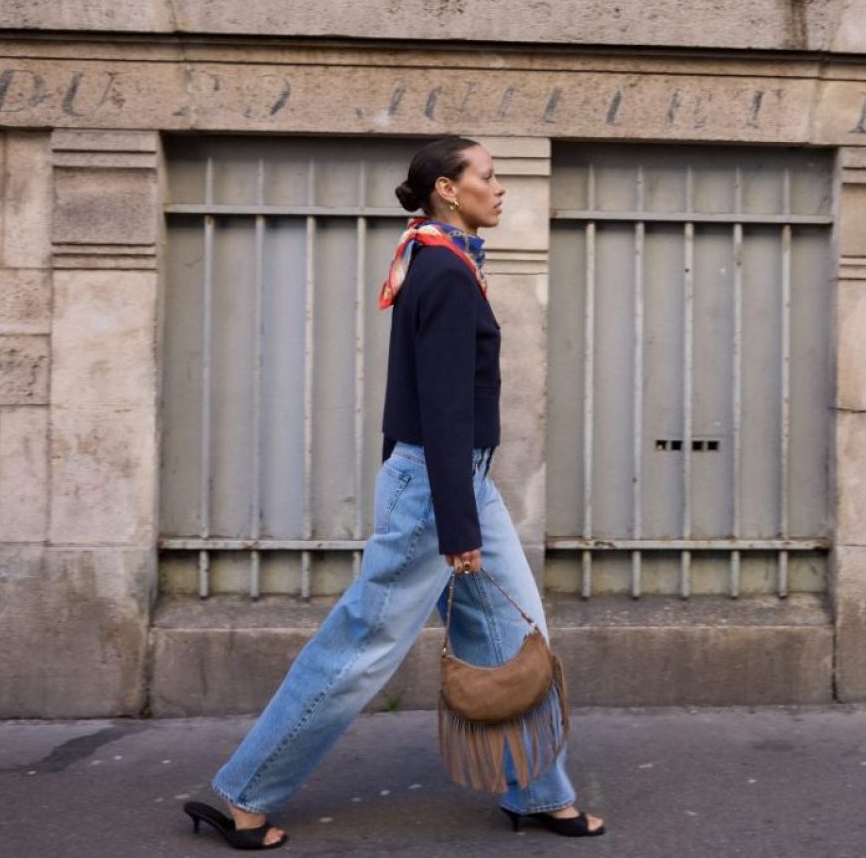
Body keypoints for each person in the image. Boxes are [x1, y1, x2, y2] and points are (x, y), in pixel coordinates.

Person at [182, 137, 605, 849]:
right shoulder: (440, 269)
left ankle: (538, 791)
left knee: (517, 635)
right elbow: (441, 406)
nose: (500, 187)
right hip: (441, 488)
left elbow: (415, 390)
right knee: (363, 645)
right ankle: (242, 795)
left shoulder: (438, 260)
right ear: (448, 189)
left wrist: (442, 491)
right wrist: (452, 521)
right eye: (488, 176)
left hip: (456, 481)